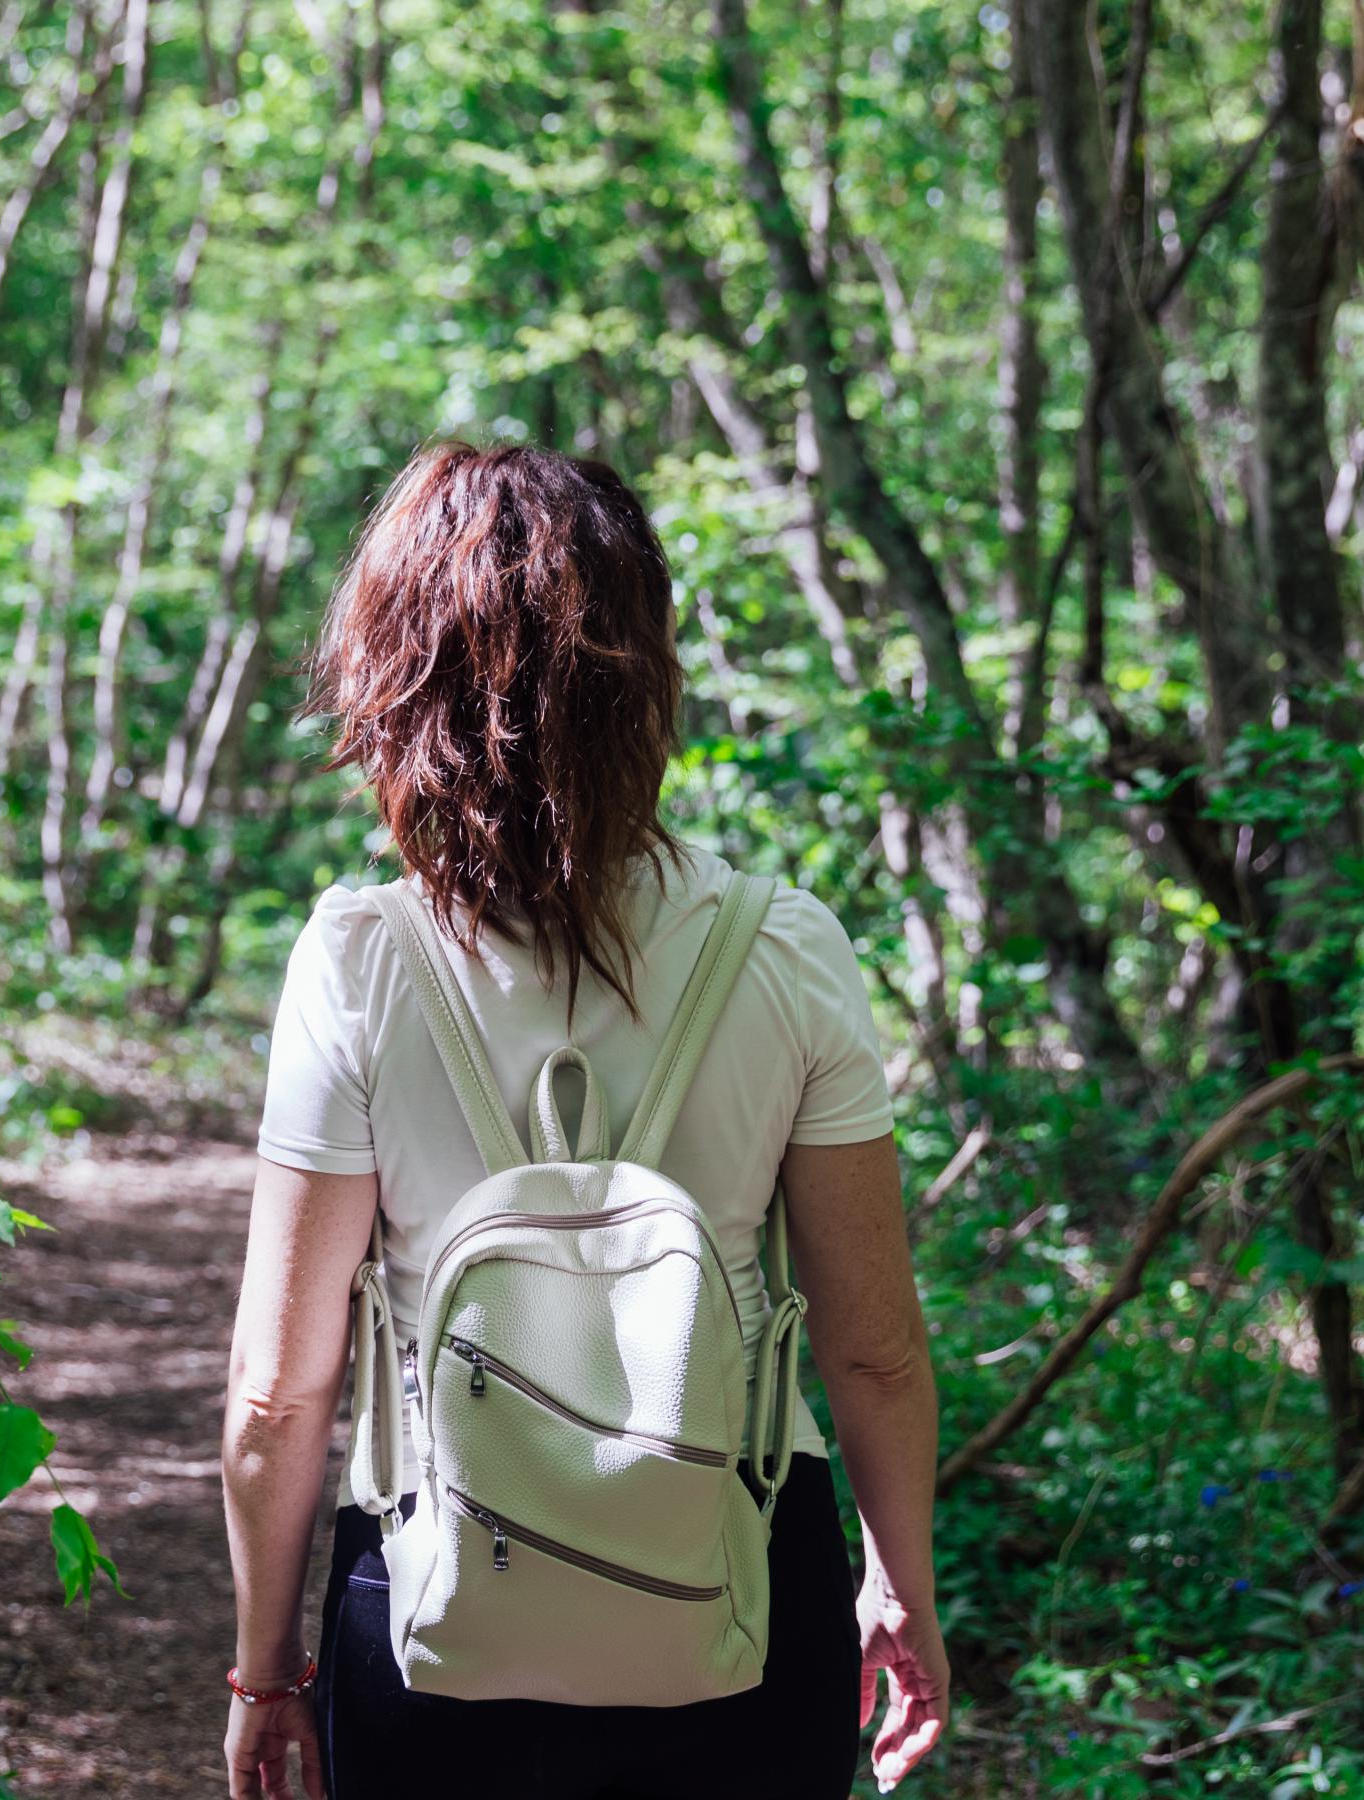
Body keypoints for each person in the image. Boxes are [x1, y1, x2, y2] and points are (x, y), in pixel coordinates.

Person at [216, 441, 948, 1800]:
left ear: (400, 677)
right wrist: (898, 1593)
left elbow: (278, 1389)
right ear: (643, 678)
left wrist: (268, 1672)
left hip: (440, 1590)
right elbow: (878, 1353)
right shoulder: (783, 948)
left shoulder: (362, 960)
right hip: (741, 1583)